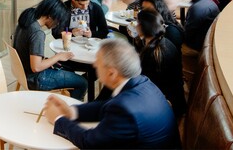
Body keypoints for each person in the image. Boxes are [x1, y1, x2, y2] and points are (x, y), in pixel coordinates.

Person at [43, 38, 180, 149]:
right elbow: (106, 106)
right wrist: (71, 111)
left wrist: (59, 119)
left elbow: (90, 142)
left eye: (98, 62)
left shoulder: (124, 109)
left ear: (111, 72)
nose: (95, 65)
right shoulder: (142, 82)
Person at [13, 0, 88, 100]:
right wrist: (57, 57)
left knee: (69, 71)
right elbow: (36, 67)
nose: (56, 25)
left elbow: (27, 52)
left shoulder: (26, 20)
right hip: (36, 79)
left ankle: (66, 104)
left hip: (24, 73)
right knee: (82, 82)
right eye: (58, 21)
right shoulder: (37, 33)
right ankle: (72, 113)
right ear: (50, 16)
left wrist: (48, 61)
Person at [134, 10, 186, 118]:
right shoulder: (164, 42)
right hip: (175, 100)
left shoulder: (154, 54)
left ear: (144, 27)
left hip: (165, 105)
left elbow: (145, 84)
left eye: (137, 22)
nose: (135, 25)